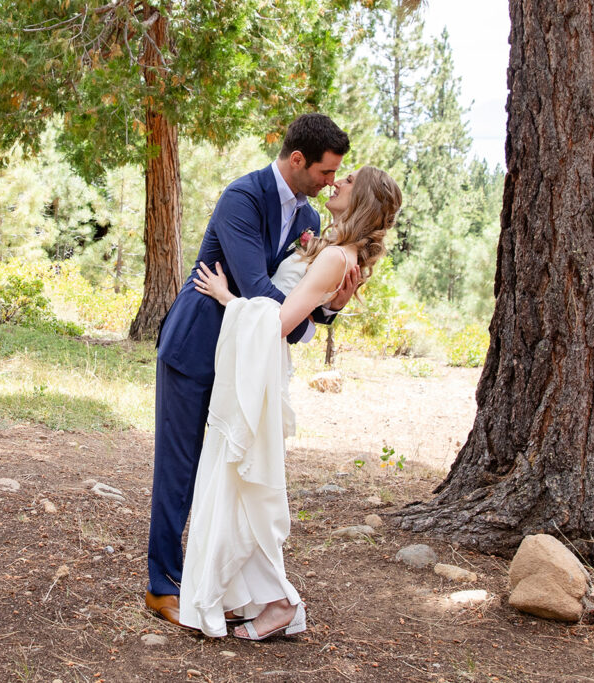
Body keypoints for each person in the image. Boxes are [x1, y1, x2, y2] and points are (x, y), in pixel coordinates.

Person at [145, 113, 360, 627]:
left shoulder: (309, 219)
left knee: (229, 471)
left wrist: (333, 308)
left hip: (245, 362)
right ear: (296, 160)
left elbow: (301, 298)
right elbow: (258, 290)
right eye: (326, 172)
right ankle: (162, 586)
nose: (331, 182)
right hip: (196, 348)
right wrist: (304, 313)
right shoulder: (241, 198)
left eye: (338, 176)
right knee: (180, 469)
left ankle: (215, 583)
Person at [181, 165, 403, 639]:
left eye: (347, 182)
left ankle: (280, 601)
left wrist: (227, 297)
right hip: (260, 368)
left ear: (360, 200)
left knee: (245, 481)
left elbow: (280, 322)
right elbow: (309, 305)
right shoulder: (337, 252)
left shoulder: (335, 258)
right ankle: (249, 596)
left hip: (260, 369)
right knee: (242, 482)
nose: (336, 183)